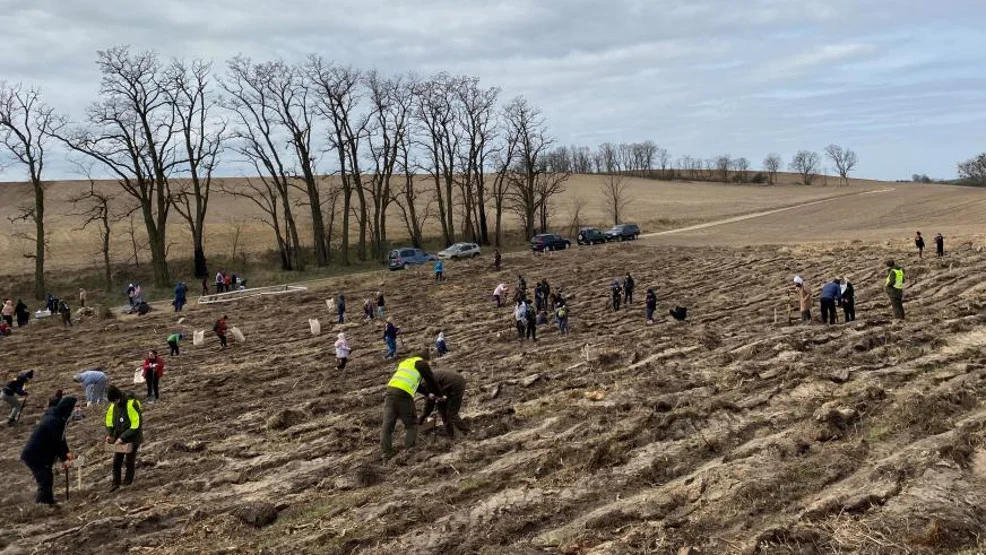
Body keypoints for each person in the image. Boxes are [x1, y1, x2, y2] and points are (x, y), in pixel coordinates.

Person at [381, 350, 444, 459]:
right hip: (403, 394)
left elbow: (416, 384)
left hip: (390, 392)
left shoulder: (405, 363)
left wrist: (427, 394)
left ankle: (387, 453)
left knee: (387, 425)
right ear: (425, 359)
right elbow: (431, 380)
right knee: (412, 424)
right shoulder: (421, 363)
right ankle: (410, 450)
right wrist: (440, 395)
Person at [20, 396, 77, 505]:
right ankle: (41, 505)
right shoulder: (53, 421)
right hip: (35, 454)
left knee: (47, 477)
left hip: (40, 453)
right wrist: (64, 457)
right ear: (67, 408)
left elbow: (61, 438)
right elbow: (56, 441)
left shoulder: (56, 418)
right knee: (44, 479)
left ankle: (49, 501)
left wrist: (66, 453)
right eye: (72, 408)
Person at [104, 385, 143, 491]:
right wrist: (110, 434)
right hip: (119, 440)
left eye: (115, 400)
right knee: (117, 461)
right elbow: (109, 421)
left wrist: (122, 438)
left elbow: (136, 425)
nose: (114, 403)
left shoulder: (131, 404)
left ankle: (127, 482)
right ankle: (115, 483)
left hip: (133, 438)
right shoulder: (113, 406)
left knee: (129, 461)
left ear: (119, 397)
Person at [418, 369, 469, 438]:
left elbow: (429, 404)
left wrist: (422, 418)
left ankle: (466, 431)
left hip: (455, 385)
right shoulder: (423, 380)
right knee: (442, 409)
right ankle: (450, 431)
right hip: (447, 386)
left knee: (451, 413)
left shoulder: (424, 384)